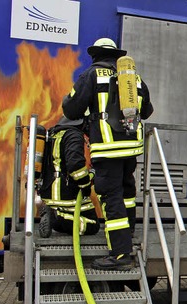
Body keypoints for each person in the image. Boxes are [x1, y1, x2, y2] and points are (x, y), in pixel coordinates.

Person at [62, 38, 154, 271]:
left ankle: (121, 255)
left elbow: (71, 108)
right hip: (131, 148)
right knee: (126, 191)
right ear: (116, 57)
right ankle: (129, 232)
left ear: (95, 56)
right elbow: (147, 111)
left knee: (110, 197)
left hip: (106, 147)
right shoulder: (133, 78)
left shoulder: (91, 75)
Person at [38, 116, 99, 237]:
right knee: (92, 225)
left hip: (49, 196)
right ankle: (57, 218)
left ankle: (55, 216)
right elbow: (75, 166)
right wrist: (86, 185)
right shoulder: (73, 135)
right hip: (67, 196)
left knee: (78, 221)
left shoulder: (53, 134)